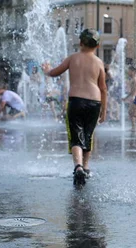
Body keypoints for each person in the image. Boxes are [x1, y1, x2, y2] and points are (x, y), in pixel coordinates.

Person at [42, 29, 107, 186]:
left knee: (76, 136)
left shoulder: (72, 58)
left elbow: (55, 72)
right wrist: (103, 111)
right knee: (88, 135)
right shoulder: (99, 63)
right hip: (94, 102)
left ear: (80, 43)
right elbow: (103, 88)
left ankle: (77, 167)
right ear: (97, 46)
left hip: (76, 101)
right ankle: (86, 167)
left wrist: (47, 70)